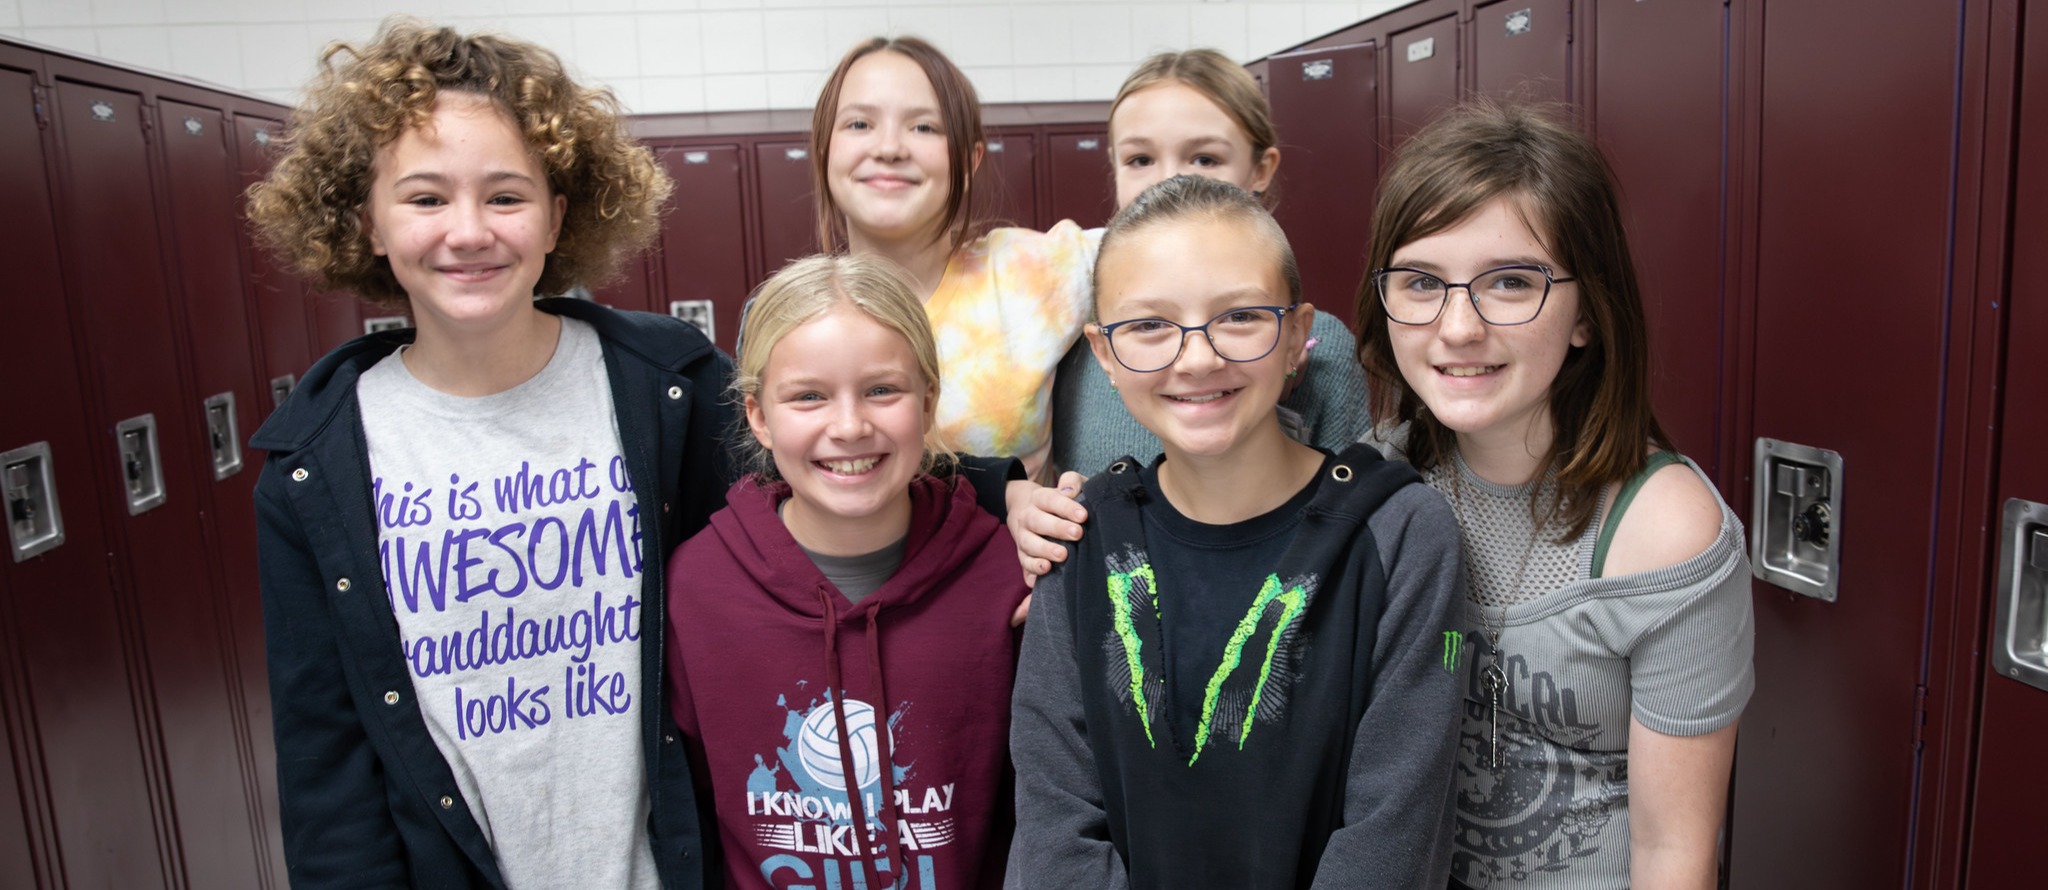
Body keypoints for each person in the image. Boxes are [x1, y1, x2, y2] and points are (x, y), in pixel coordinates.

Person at [244, 20, 717, 889]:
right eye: (425, 199)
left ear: (556, 217)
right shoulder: (314, 464)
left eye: (505, 196)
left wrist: (1000, 500)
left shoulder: (670, 387)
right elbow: (326, 754)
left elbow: (824, 501)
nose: (468, 232)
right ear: (369, 224)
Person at [1005, 175, 1465, 889]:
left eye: (1242, 317)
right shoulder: (1082, 538)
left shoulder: (1401, 534)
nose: (1197, 358)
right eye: (1150, 326)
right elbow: (1054, 821)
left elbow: (1393, 831)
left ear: (1295, 337)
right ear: (1104, 353)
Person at [1354, 101, 1754, 889]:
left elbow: (1674, 853)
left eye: (1510, 282)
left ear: (1586, 315)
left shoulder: (1664, 531)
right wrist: (1044, 506)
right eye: (1421, 282)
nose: (1458, 327)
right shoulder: (1380, 477)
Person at [665, 255, 1028, 889]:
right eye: (808, 396)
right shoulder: (697, 588)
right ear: (757, 415)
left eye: (881, 390)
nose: (850, 426)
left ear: (928, 400)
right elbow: (685, 810)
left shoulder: (1008, 579)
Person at [1050, 49, 1370, 476]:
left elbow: (1353, 509)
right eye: (1140, 160)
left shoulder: (1321, 349)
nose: (1171, 180)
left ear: (1261, 169)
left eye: (1205, 159)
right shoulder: (1066, 333)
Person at [810, 37, 1095, 481]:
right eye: (860, 124)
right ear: (824, 150)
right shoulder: (796, 319)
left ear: (969, 159)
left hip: (1018, 551)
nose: (889, 148)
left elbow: (1175, 238)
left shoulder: (1035, 274)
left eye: (924, 127)